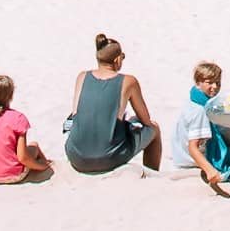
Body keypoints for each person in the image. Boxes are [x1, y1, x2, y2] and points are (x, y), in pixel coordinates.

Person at [65, 34, 162, 173]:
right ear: (117, 60)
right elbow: (146, 120)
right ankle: (152, 176)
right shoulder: (129, 81)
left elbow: (76, 114)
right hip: (109, 158)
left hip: (76, 156)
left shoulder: (82, 77)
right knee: (154, 129)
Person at [172, 60, 230, 196]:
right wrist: (210, 170)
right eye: (210, 83)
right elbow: (193, 147)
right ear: (198, 83)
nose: (215, 87)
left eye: (218, 83)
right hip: (191, 162)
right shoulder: (200, 111)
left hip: (180, 157)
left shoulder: (194, 100)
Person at [0, 75, 53, 184]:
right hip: (13, 175)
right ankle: (45, 163)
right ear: (10, 96)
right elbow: (23, 158)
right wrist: (42, 167)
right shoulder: (18, 118)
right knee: (34, 146)